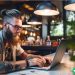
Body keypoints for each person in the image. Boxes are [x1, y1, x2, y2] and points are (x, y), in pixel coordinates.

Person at [0, 9, 51, 73]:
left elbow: (25, 56)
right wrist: (28, 63)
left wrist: (40, 58)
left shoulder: (13, 39)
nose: (19, 31)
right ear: (5, 25)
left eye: (20, 27)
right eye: (16, 26)